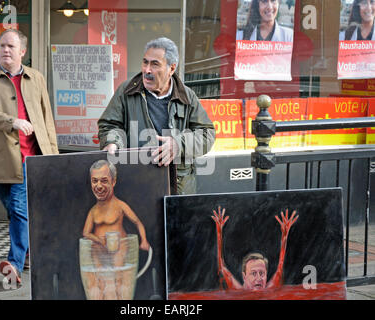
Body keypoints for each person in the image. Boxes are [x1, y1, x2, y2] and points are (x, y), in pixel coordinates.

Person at [0, 28, 59, 285]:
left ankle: (15, 265)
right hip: (0, 158)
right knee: (14, 210)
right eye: (1, 46)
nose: (5, 50)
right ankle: (31, 250)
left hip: (29, 157)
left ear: (22, 51)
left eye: (11, 46)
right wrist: (12, 121)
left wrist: (51, 154)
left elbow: (46, 117)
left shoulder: (36, 78)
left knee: (20, 209)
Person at [97, 37, 215, 195]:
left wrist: (178, 145)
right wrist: (113, 142)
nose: (147, 70)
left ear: (171, 69)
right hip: (136, 184)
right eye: (145, 62)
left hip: (177, 188)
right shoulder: (126, 91)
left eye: (155, 64)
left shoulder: (187, 96)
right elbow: (110, 125)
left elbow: (207, 134)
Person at [82, 160, 150, 299]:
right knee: (100, 284)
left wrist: (144, 240)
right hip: (98, 252)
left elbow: (137, 222)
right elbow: (86, 233)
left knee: (118, 283)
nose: (98, 186)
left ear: (113, 182)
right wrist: (100, 241)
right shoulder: (93, 211)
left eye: (104, 181)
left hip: (119, 249)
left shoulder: (120, 206)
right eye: (95, 181)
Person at [211, 206, 299, 290]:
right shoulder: (238, 291)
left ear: (267, 275)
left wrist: (285, 235)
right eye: (253, 273)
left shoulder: (269, 290)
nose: (259, 278)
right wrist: (219, 232)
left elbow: (280, 268)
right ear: (244, 276)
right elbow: (222, 267)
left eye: (262, 273)